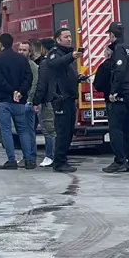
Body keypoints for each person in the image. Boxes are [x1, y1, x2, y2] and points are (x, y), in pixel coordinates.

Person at [101, 22, 129, 174]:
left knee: (116, 128)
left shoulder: (118, 49)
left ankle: (119, 161)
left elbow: (119, 70)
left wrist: (113, 92)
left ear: (112, 35)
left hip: (121, 93)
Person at [0, 34, 36, 170]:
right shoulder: (21, 59)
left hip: (3, 99)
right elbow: (29, 76)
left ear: (1, 44)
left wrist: (11, 91)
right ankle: (28, 159)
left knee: (6, 130)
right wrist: (20, 91)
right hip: (20, 100)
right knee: (23, 130)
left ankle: (11, 160)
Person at [42, 28, 82, 173]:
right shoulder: (54, 53)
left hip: (69, 98)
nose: (69, 39)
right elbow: (56, 64)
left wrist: (78, 78)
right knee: (63, 131)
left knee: (69, 131)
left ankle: (63, 159)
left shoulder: (66, 55)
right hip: (60, 98)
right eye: (66, 37)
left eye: (70, 36)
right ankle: (59, 162)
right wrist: (71, 56)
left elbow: (66, 73)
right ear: (58, 39)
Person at [17, 41, 40, 169]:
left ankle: (31, 157)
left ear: (29, 52)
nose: (21, 52)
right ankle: (27, 156)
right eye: (20, 49)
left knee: (28, 131)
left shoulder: (32, 66)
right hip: (21, 102)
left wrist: (30, 100)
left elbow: (35, 84)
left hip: (28, 103)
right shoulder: (19, 65)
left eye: (24, 50)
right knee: (24, 131)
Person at [34, 39, 57, 167]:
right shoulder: (60, 60)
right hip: (59, 99)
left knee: (49, 130)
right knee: (56, 129)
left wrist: (36, 101)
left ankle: (50, 156)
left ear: (44, 48)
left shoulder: (45, 63)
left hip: (48, 100)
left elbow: (41, 84)